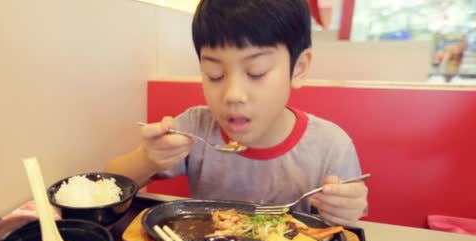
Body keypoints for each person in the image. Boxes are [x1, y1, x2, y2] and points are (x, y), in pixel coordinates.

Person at [106, 0, 368, 226]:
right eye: (215, 75)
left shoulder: (331, 146)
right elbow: (109, 186)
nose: (232, 94)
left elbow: (349, 222)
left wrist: (346, 207)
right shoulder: (195, 128)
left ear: (298, 68)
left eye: (256, 72)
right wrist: (146, 159)